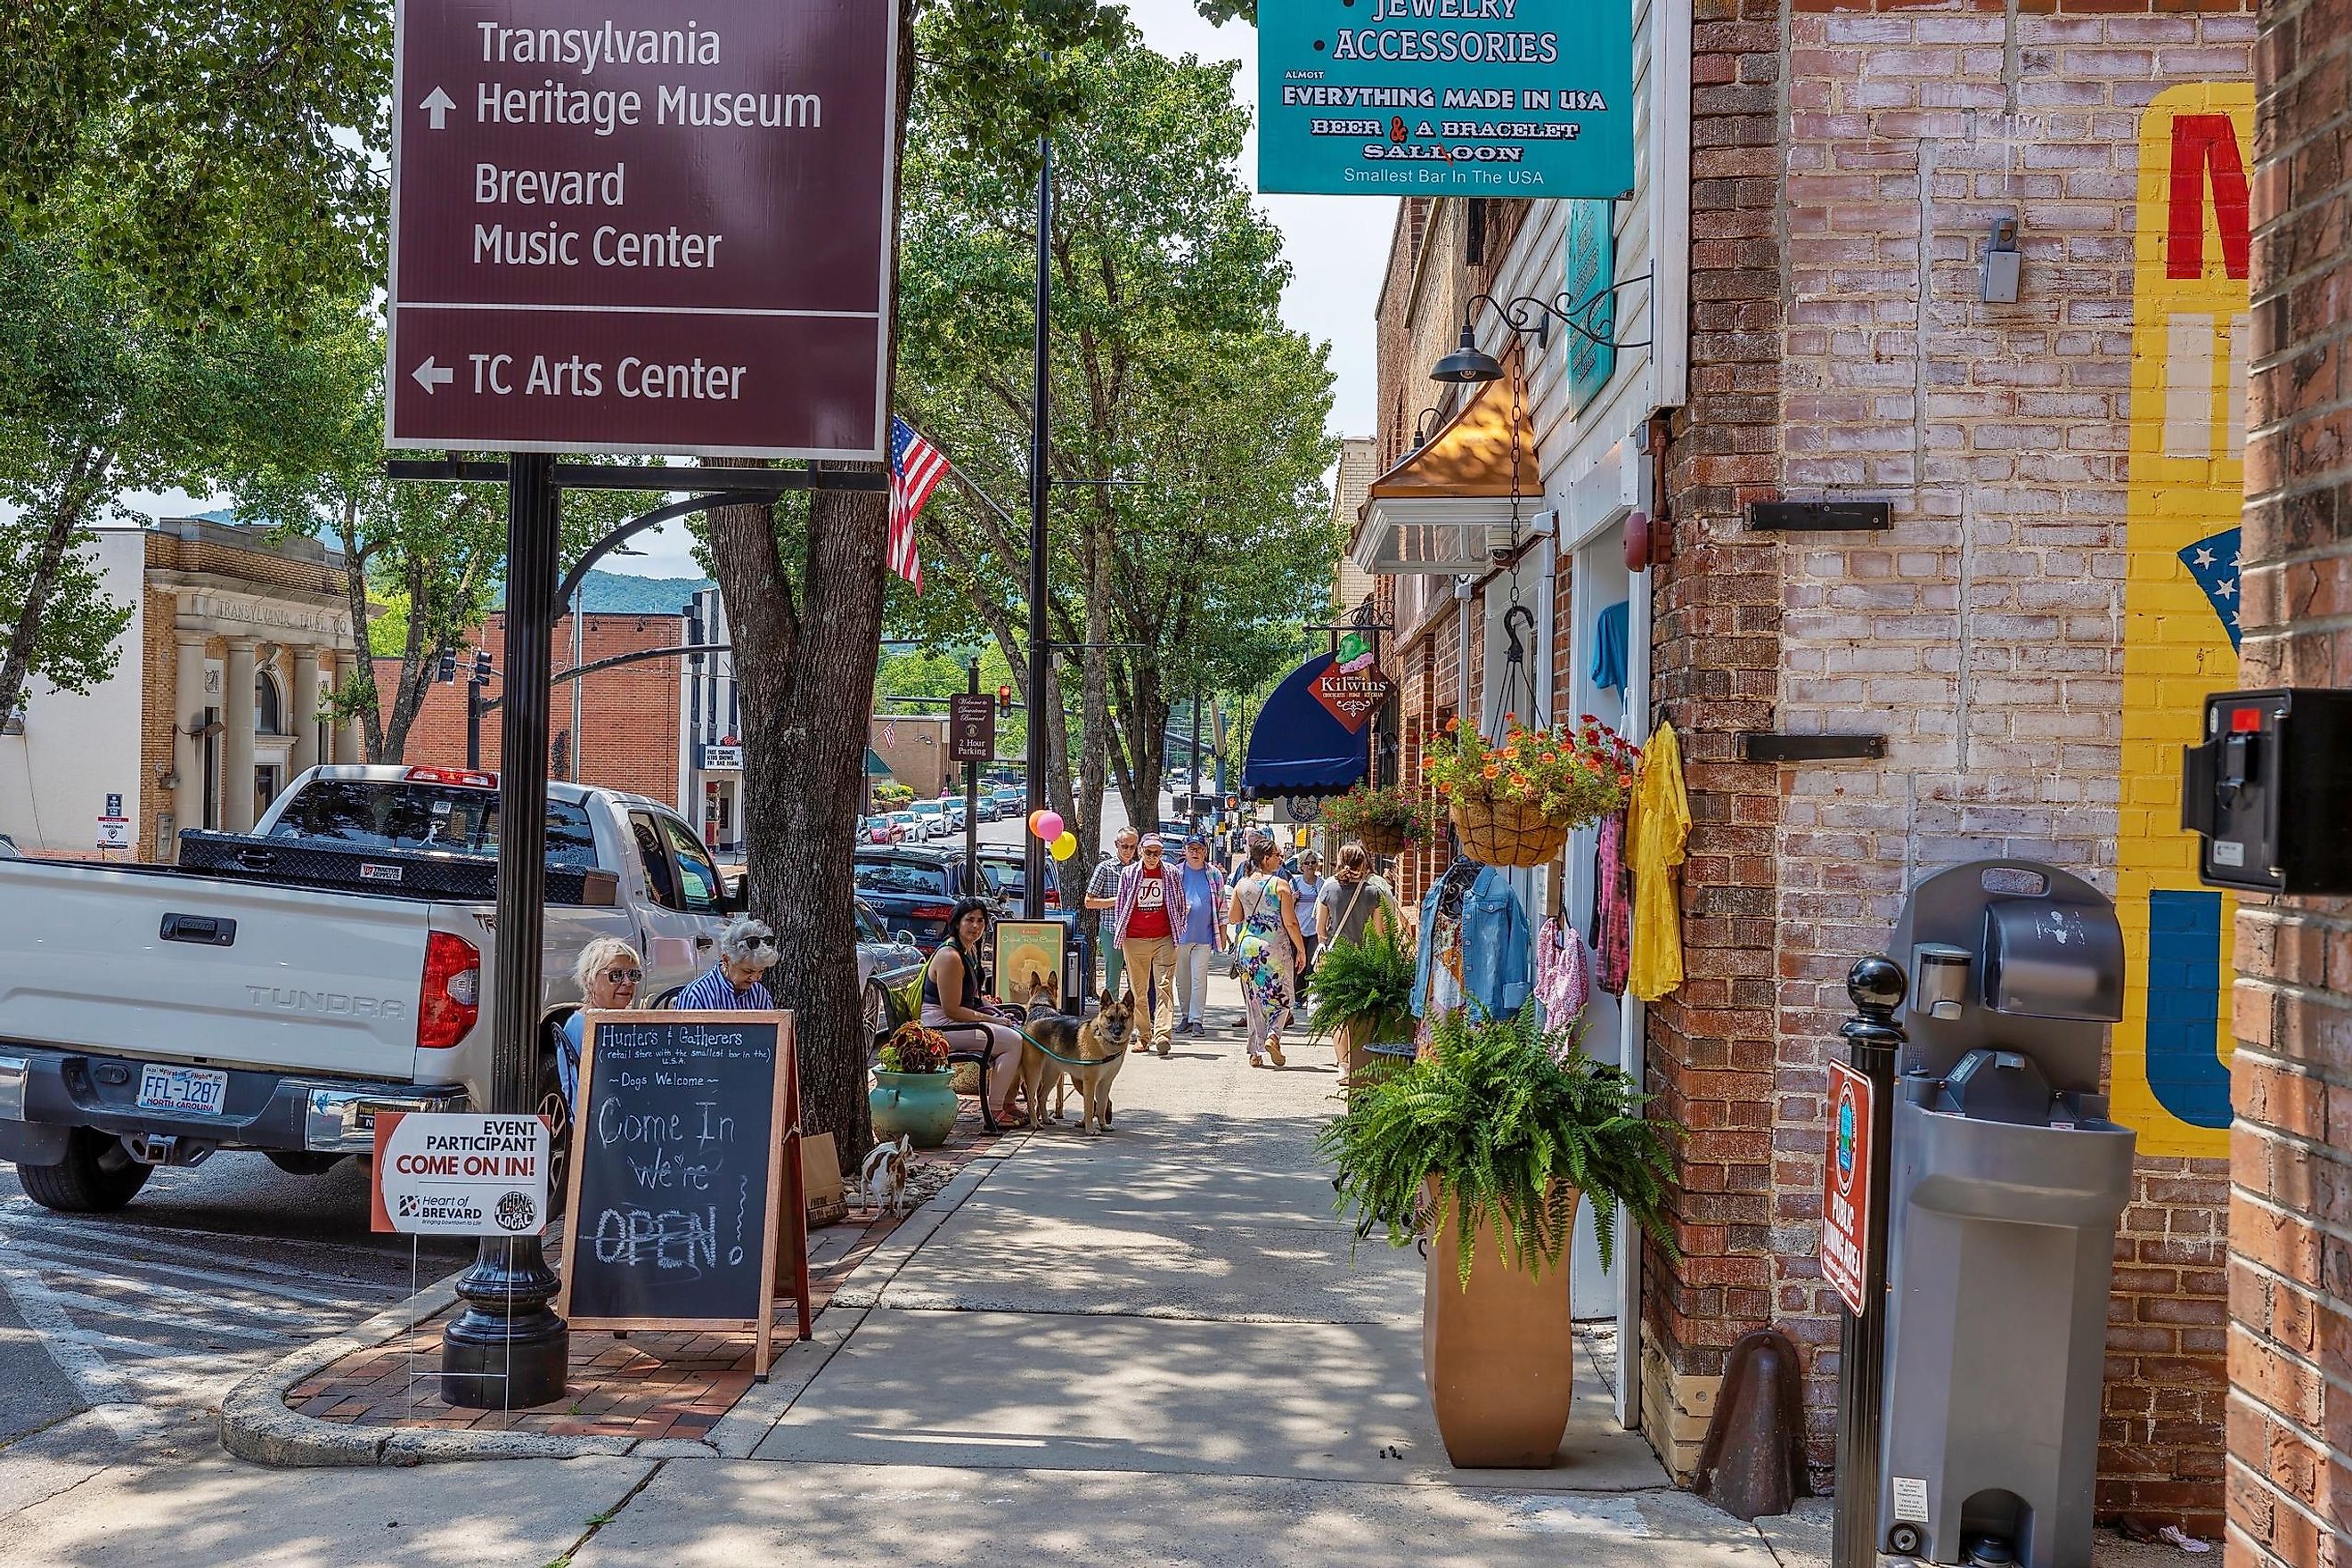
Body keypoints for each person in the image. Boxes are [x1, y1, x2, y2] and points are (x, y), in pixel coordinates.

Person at [922, 897, 1026, 1125]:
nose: (976, 926)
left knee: (1021, 1035)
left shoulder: (970, 949)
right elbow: (952, 1010)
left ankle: (1008, 1103)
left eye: (981, 920)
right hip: (942, 1027)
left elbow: (974, 998)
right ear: (957, 922)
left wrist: (994, 1012)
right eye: (970, 920)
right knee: (1013, 1043)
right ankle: (995, 1110)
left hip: (961, 1021)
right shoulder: (950, 957)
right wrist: (992, 1019)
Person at [1228, 838, 1306, 1067]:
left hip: (1248, 949)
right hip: (1274, 948)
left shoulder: (1241, 885)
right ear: (1265, 858)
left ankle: (1255, 1052)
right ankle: (1273, 1036)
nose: (1281, 859)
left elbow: (1234, 918)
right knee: (1283, 997)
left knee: (1254, 1001)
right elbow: (1290, 923)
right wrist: (1300, 949)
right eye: (1277, 855)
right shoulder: (1281, 886)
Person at [1112, 833, 1188, 1055]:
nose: (1153, 856)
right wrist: (1122, 932)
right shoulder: (1128, 874)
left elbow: (1181, 903)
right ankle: (1143, 1035)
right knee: (1139, 991)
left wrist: (1178, 929)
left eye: (1157, 852)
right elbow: (1121, 905)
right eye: (1148, 852)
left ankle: (1163, 1035)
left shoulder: (1171, 873)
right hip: (1135, 939)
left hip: (1164, 937)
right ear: (1141, 852)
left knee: (1164, 987)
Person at [557, 936, 643, 1113]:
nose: (627, 983)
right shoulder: (580, 1026)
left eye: (633, 975)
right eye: (616, 975)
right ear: (590, 980)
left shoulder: (631, 1023)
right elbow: (576, 1094)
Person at [1172, 835, 1225, 1036]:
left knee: (1199, 979)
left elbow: (1221, 903)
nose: (1195, 853)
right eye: (1191, 849)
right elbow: (1168, 901)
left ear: (1205, 852)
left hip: (1204, 936)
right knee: (1182, 979)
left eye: (1199, 849)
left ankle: (1197, 1019)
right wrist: (1179, 910)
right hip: (1180, 936)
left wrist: (1222, 931)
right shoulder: (1176, 873)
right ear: (1185, 851)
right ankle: (1185, 1016)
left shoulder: (1214, 874)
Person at [675, 917, 780, 1009]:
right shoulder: (696, 996)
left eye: (760, 971)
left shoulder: (759, 994)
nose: (755, 978)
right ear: (726, 961)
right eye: (748, 971)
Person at [1085, 828, 1139, 998]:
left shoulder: (1138, 869)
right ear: (1117, 845)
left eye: (1132, 847)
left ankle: (1135, 1019)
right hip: (1112, 930)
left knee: (1136, 981)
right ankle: (1111, 1020)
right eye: (1124, 846)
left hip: (1135, 932)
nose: (1128, 851)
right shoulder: (1105, 868)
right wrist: (1119, 901)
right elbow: (1089, 902)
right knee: (1112, 981)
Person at [1315, 841, 1400, 951]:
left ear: (1340, 862)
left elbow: (1320, 929)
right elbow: (1379, 933)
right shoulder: (1373, 892)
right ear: (1362, 863)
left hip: (1335, 954)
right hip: (1364, 956)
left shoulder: (1328, 890)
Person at [1290, 850, 1328, 988]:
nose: (1310, 866)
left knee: (1312, 963)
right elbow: (1286, 908)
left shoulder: (1322, 884)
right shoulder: (1294, 883)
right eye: (1307, 863)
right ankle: (1299, 996)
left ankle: (1311, 994)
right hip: (1298, 930)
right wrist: (1292, 899)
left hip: (1314, 930)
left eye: (1313, 862)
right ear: (1301, 866)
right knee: (1297, 963)